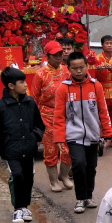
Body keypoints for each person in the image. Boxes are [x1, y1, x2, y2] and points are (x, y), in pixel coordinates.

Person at [53, 51, 112, 213]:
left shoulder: (96, 86)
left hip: (93, 135)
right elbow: (59, 116)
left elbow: (103, 112)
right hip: (74, 136)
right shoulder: (63, 89)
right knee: (79, 164)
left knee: (91, 167)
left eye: (81, 67)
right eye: (75, 68)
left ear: (87, 67)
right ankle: (80, 199)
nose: (79, 71)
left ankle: (88, 196)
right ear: (69, 69)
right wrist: (59, 137)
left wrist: (107, 132)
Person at [0, 66, 45, 223]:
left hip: (28, 148)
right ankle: (18, 208)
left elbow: (39, 124)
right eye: (22, 82)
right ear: (11, 86)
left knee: (28, 178)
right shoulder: (0, 106)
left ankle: (25, 207)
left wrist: (34, 136)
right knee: (18, 176)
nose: (25, 85)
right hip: (10, 150)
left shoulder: (30, 102)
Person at [31, 40, 73, 192]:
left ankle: (64, 176)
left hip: (66, 116)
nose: (59, 57)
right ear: (47, 56)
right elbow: (34, 100)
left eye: (60, 54)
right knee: (50, 151)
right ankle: (53, 181)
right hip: (46, 117)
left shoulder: (67, 71)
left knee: (68, 149)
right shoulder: (40, 74)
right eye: (55, 55)